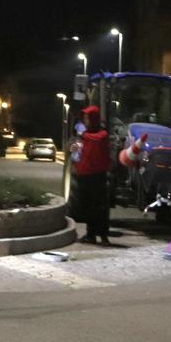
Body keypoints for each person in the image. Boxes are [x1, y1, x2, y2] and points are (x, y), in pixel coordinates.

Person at [70, 104, 112, 244]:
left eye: (88, 118)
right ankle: (91, 234)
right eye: (85, 118)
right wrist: (74, 150)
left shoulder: (102, 134)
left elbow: (96, 139)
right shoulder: (84, 136)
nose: (85, 121)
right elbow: (76, 151)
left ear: (94, 119)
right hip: (84, 175)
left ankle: (103, 234)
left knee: (99, 207)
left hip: (97, 176)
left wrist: (83, 135)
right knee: (88, 207)